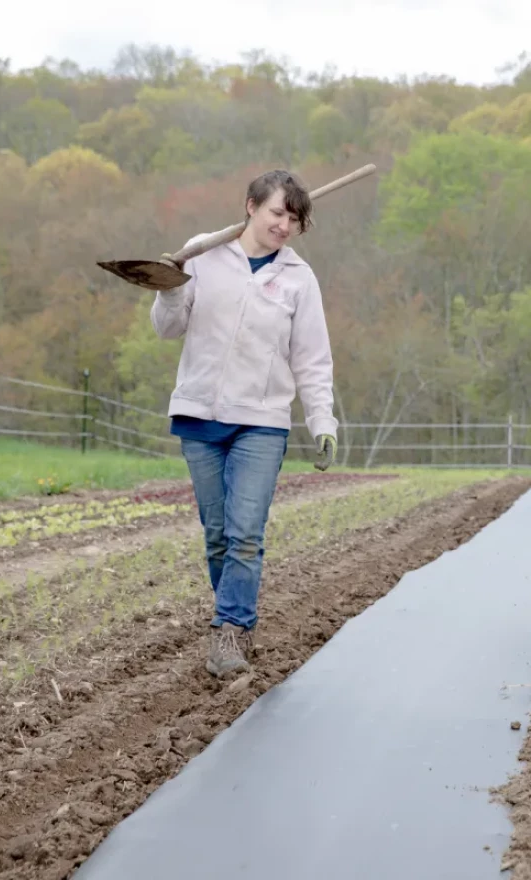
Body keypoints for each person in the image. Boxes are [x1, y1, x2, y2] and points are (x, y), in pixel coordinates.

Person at [151, 169, 339, 679]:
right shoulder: (203, 254)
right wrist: (170, 286)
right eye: (278, 212)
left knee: (246, 533)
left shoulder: (299, 279)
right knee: (217, 535)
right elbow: (167, 328)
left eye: (295, 220)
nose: (284, 226)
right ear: (251, 205)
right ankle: (235, 619)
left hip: (261, 421)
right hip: (199, 415)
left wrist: (322, 421)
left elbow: (312, 359)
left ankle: (230, 628)